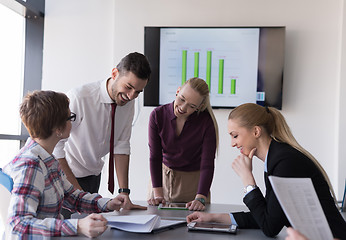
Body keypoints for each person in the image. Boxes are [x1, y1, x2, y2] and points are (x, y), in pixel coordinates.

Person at [186, 103, 346, 239]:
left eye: (235, 136)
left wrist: (248, 181)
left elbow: (270, 227)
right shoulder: (275, 158)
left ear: (256, 131)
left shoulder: (285, 162)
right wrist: (213, 218)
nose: (232, 144)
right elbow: (269, 216)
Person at [3, 90, 131, 238]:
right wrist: (77, 226)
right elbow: (18, 225)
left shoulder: (48, 160)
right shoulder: (30, 166)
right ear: (57, 128)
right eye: (70, 117)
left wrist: (107, 204)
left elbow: (72, 197)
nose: (72, 122)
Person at [53, 52, 151, 211]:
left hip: (93, 176)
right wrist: (77, 193)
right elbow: (56, 148)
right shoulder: (80, 97)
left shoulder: (128, 102)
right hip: (66, 176)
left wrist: (124, 192)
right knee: (66, 231)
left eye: (138, 92)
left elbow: (121, 145)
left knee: (88, 231)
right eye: (129, 87)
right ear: (114, 74)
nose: (132, 96)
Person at [147, 77, 218, 211]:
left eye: (192, 106)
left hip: (194, 184)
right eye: (182, 99)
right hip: (162, 180)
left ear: (200, 107)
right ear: (177, 91)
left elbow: (207, 163)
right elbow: (155, 156)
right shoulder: (157, 115)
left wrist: (201, 197)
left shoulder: (206, 123)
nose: (183, 108)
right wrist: (157, 193)